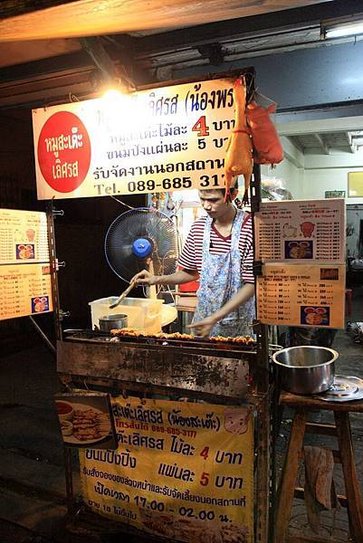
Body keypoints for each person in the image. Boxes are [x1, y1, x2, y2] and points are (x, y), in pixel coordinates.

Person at [131, 184, 255, 337]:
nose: (206, 206)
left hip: (239, 323)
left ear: (233, 194)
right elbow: (191, 272)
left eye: (213, 200)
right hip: (203, 321)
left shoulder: (250, 227)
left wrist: (215, 318)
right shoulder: (198, 228)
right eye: (202, 199)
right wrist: (156, 279)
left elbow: (252, 284)